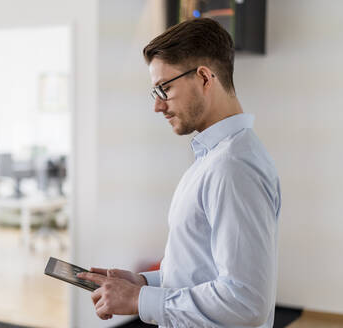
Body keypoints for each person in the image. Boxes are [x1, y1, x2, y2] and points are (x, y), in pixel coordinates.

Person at [78, 18, 281, 327]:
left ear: (203, 77)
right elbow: (200, 271)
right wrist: (144, 284)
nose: (158, 106)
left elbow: (246, 301)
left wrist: (137, 300)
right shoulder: (213, 157)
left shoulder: (232, 167)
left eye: (165, 88)